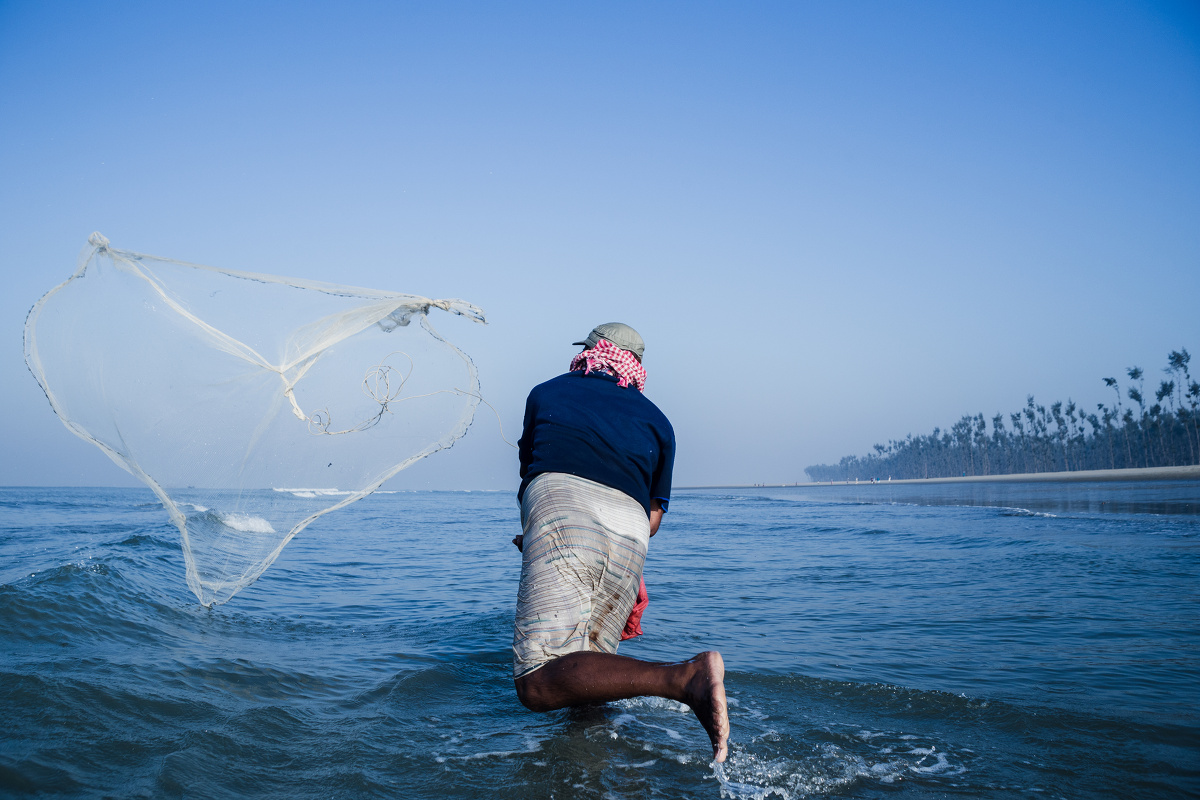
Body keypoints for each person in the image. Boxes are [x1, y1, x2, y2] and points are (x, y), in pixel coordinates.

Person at [510, 322, 729, 762]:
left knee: (536, 680)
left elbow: (532, 472)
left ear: (590, 354)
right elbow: (652, 518)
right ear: (634, 367)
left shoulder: (546, 393)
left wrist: (544, 533)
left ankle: (685, 678)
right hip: (630, 530)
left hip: (561, 504)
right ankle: (591, 774)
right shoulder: (659, 422)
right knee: (590, 678)